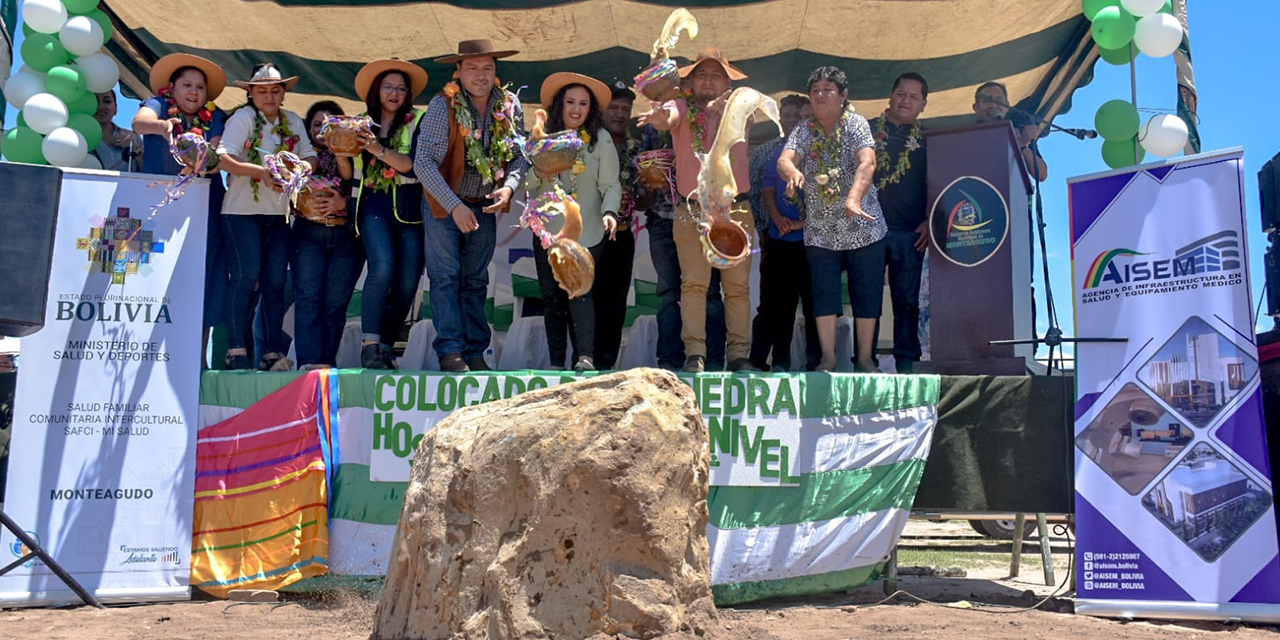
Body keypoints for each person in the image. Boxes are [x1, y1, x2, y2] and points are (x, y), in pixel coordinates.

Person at [638, 47, 758, 373]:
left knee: (736, 289)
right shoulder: (680, 105)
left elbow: (742, 114)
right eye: (701, 74)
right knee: (693, 285)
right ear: (691, 81)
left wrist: (719, 110)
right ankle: (695, 354)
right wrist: (659, 114)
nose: (708, 80)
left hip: (735, 209)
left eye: (715, 74)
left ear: (727, 81)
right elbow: (668, 116)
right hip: (691, 209)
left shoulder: (741, 106)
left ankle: (738, 355)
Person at [414, 40, 529, 373]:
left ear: (496, 73)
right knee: (447, 277)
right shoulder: (442, 105)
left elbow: (520, 155)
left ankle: (476, 351)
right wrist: (454, 206)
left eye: (487, 68)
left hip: (485, 203)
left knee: (477, 280)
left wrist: (508, 188)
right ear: (458, 72)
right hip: (444, 204)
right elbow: (423, 162)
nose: (480, 75)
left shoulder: (510, 105)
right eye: (473, 68)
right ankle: (450, 351)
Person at [778, 66, 886, 373]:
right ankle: (827, 357)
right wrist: (793, 172)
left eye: (828, 89)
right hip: (821, 231)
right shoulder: (804, 130)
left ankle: (864, 358)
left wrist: (853, 197)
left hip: (864, 227)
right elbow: (785, 160)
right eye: (815, 91)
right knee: (823, 295)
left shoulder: (855, 124)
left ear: (843, 96)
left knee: (866, 293)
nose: (820, 95)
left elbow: (868, 161)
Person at [216, 63, 318, 370]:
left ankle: (272, 352)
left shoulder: (293, 120)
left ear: (284, 92)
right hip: (241, 211)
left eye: (275, 90)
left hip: (280, 213)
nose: (269, 96)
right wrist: (262, 173)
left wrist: (301, 169)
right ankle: (236, 349)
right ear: (250, 92)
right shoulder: (244, 117)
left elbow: (310, 155)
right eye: (262, 91)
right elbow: (223, 158)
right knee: (246, 277)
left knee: (275, 281)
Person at [132, 53, 228, 368]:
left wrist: (200, 155)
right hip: (161, 209)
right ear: (171, 88)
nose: (193, 91)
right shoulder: (158, 106)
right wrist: (163, 127)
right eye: (186, 84)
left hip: (205, 209)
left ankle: (198, 359)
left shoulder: (215, 116)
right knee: (155, 278)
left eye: (200, 87)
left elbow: (214, 151)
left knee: (205, 282)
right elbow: (138, 122)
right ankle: (151, 355)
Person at [524, 72, 620, 372]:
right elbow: (526, 183)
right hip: (549, 232)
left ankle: (585, 358)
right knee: (552, 296)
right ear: (559, 106)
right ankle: (555, 362)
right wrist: (540, 170)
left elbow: (611, 184)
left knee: (580, 291)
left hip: (588, 231)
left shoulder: (600, 139)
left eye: (583, 103)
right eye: (570, 102)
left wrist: (610, 212)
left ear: (591, 109)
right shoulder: (542, 137)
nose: (576, 109)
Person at [337, 59, 429, 369]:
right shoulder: (360, 122)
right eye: (388, 87)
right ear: (377, 90)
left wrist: (377, 149)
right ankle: (370, 344)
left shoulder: (420, 119)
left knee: (407, 281)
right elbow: (349, 172)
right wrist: (340, 153)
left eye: (401, 88)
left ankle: (386, 346)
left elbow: (413, 165)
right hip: (373, 204)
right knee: (382, 267)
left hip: (410, 207)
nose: (394, 93)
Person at [748, 94, 820, 372]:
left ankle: (817, 363)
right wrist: (773, 222)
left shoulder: (820, 152)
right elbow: (761, 190)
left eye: (798, 116)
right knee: (776, 305)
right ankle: (771, 360)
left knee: (815, 305)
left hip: (813, 242)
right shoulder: (770, 153)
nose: (792, 121)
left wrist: (803, 224)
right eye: (787, 115)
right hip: (776, 238)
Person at [290, 100, 363, 369]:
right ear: (308, 129)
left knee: (335, 303)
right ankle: (308, 362)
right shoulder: (299, 154)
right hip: (308, 234)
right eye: (317, 124)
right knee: (308, 299)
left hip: (345, 235)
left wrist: (342, 201)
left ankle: (326, 363)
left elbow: (351, 178)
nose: (322, 130)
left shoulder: (352, 150)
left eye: (329, 124)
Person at [869, 72, 929, 373]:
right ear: (891, 97)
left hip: (910, 233)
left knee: (906, 299)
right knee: (867, 299)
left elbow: (941, 184)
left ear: (923, 105)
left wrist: (930, 221)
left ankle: (907, 361)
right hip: (869, 230)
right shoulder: (866, 132)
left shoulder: (930, 139)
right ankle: (863, 360)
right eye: (901, 94)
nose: (906, 100)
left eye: (913, 97)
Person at [595, 83, 639, 371]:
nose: (620, 114)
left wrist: (648, 187)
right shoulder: (588, 142)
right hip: (589, 235)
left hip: (622, 236)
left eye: (626, 109)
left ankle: (607, 363)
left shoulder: (639, 147)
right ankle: (584, 359)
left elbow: (646, 201)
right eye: (614, 107)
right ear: (602, 110)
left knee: (616, 303)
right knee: (587, 298)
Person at [972, 81, 1048, 181]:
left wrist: (1022, 145)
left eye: (998, 101)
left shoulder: (1019, 133)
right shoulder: (967, 135)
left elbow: (1042, 175)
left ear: (1007, 106)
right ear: (976, 107)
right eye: (986, 101)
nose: (993, 105)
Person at [93, 90, 142, 171]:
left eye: (107, 101)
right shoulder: (81, 138)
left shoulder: (132, 137)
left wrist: (135, 152)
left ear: (116, 108)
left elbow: (146, 173)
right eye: (95, 101)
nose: (101, 106)